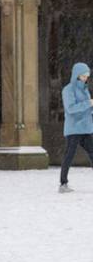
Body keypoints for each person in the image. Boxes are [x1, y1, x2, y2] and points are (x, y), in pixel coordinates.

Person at [59, 62, 93, 193]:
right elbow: (71, 109)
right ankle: (63, 184)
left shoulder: (85, 90)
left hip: (86, 128)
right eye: (83, 75)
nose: (85, 78)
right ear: (77, 75)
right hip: (74, 129)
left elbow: (87, 109)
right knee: (69, 155)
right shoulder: (68, 90)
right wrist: (88, 103)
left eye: (87, 76)